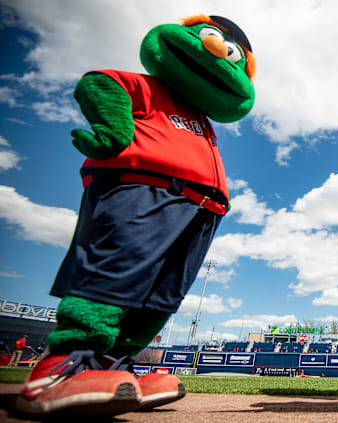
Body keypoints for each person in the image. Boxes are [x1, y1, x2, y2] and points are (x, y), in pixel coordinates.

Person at [15, 15, 256, 417]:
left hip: (201, 206)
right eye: (214, 40)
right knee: (118, 268)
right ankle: (64, 363)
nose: (218, 54)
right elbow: (99, 82)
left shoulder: (202, 118)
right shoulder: (150, 86)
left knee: (161, 295)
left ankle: (112, 365)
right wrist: (113, 129)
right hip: (143, 185)